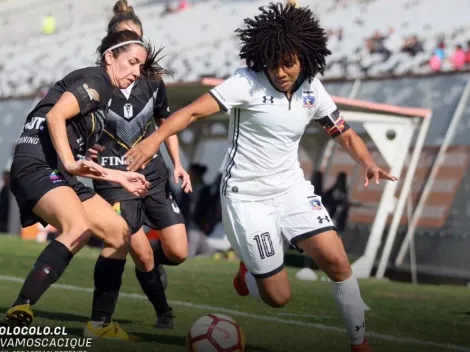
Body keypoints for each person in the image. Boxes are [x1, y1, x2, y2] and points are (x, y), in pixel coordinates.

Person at [124, 3, 399, 351]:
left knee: (336, 259)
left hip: (291, 190)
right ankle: (251, 274)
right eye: (273, 63)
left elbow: (342, 131)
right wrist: (154, 140)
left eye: (289, 63)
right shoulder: (246, 83)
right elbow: (192, 112)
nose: (281, 71)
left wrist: (367, 161)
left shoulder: (312, 89)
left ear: (305, 59)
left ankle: (360, 343)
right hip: (247, 198)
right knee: (278, 297)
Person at [2, 30, 153, 339]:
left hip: (59, 172)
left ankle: (98, 326)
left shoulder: (103, 98)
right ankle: (21, 307)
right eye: (132, 62)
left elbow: (79, 162)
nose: (136, 72)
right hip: (37, 166)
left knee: (118, 233)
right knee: (78, 228)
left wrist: (119, 175)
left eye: (141, 66)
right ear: (110, 57)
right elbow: (56, 116)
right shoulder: (96, 81)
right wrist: (71, 163)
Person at [83, 0, 190, 338]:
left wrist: (178, 164)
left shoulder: (152, 82)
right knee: (136, 249)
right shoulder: (95, 84)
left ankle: (154, 271)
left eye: (141, 43)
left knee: (179, 251)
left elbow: (164, 123)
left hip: (154, 175)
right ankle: (141, 315)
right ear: (111, 47)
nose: (139, 54)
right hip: (115, 180)